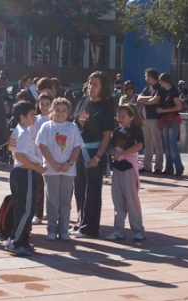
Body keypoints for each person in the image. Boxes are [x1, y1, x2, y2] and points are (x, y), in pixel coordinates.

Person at [71, 71, 115, 238]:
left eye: (95, 84)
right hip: (79, 151)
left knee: (92, 191)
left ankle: (89, 227)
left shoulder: (105, 105)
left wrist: (97, 157)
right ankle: (79, 221)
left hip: (94, 152)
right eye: (90, 83)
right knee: (79, 188)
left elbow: (107, 135)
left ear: (103, 87)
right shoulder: (83, 100)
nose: (91, 87)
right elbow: (76, 123)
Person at [36, 97, 82, 241]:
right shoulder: (47, 127)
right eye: (57, 110)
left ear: (68, 112)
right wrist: (53, 164)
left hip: (68, 170)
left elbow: (77, 147)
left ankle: (63, 229)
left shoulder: (72, 127)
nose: (60, 113)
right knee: (52, 200)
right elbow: (42, 146)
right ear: (52, 111)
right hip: (51, 169)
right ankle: (51, 228)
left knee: (65, 201)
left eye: (64, 111)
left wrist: (69, 163)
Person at [7, 101, 47, 256]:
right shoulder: (23, 133)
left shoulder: (17, 131)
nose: (34, 117)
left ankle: (21, 240)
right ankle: (15, 241)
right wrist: (36, 167)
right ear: (22, 117)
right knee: (27, 210)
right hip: (25, 172)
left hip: (18, 172)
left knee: (20, 208)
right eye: (31, 114)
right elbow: (19, 155)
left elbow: (13, 151)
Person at [106, 103, 146, 241]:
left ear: (132, 117)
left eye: (123, 116)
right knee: (117, 199)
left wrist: (124, 153)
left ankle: (138, 229)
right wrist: (113, 153)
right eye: (119, 115)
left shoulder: (136, 130)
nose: (120, 118)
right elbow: (110, 146)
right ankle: (119, 229)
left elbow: (140, 145)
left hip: (129, 167)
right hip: (117, 167)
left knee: (131, 199)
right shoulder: (117, 131)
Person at [29, 93, 54, 225]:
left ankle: (50, 212)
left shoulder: (54, 120)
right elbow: (31, 138)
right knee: (38, 187)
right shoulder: (34, 119)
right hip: (37, 159)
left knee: (50, 188)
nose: (44, 107)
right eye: (42, 104)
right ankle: (37, 213)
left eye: (47, 104)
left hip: (51, 159)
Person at [155, 73, 184, 176]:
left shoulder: (174, 91)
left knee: (172, 145)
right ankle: (169, 168)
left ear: (164, 81)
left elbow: (178, 106)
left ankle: (179, 168)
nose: (159, 83)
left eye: (160, 81)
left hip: (172, 120)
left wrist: (163, 110)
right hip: (165, 120)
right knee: (166, 146)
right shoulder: (163, 91)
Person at [137, 68, 164, 174]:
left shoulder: (159, 88)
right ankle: (147, 166)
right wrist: (150, 99)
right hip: (145, 118)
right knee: (147, 143)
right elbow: (139, 98)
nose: (145, 78)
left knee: (157, 143)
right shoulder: (147, 88)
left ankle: (158, 167)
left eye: (146, 76)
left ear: (151, 76)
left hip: (155, 118)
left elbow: (155, 101)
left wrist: (148, 100)